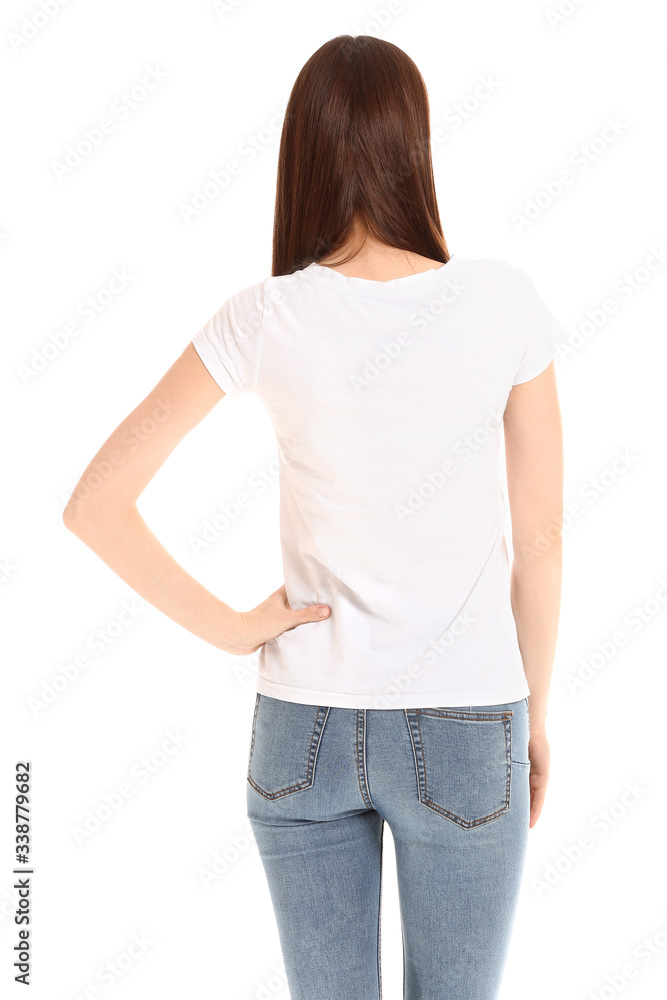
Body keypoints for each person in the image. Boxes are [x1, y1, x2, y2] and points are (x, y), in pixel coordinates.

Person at [63, 33, 563, 1000]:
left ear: (304, 153)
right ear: (413, 145)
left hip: (302, 730)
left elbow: (95, 502)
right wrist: (533, 716)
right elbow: (540, 539)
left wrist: (234, 630)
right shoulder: (501, 302)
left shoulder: (266, 316)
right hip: (468, 721)